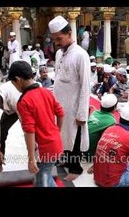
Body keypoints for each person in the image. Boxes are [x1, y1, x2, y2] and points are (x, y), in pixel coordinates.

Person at [8, 61, 64, 187]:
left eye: (13, 84)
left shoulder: (24, 101)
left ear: (18, 80)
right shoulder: (46, 92)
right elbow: (60, 113)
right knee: (46, 176)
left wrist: (31, 157)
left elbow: (30, 130)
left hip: (44, 150)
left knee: (42, 181)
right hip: (55, 143)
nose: (15, 87)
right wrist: (57, 132)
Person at [48, 15, 90, 181]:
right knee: (62, 136)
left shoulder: (81, 55)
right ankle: (65, 160)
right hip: (59, 106)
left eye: (59, 38)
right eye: (54, 39)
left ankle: (76, 168)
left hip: (74, 107)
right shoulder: (59, 53)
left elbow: (86, 86)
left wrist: (81, 113)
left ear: (69, 33)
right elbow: (57, 79)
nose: (57, 42)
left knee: (74, 138)